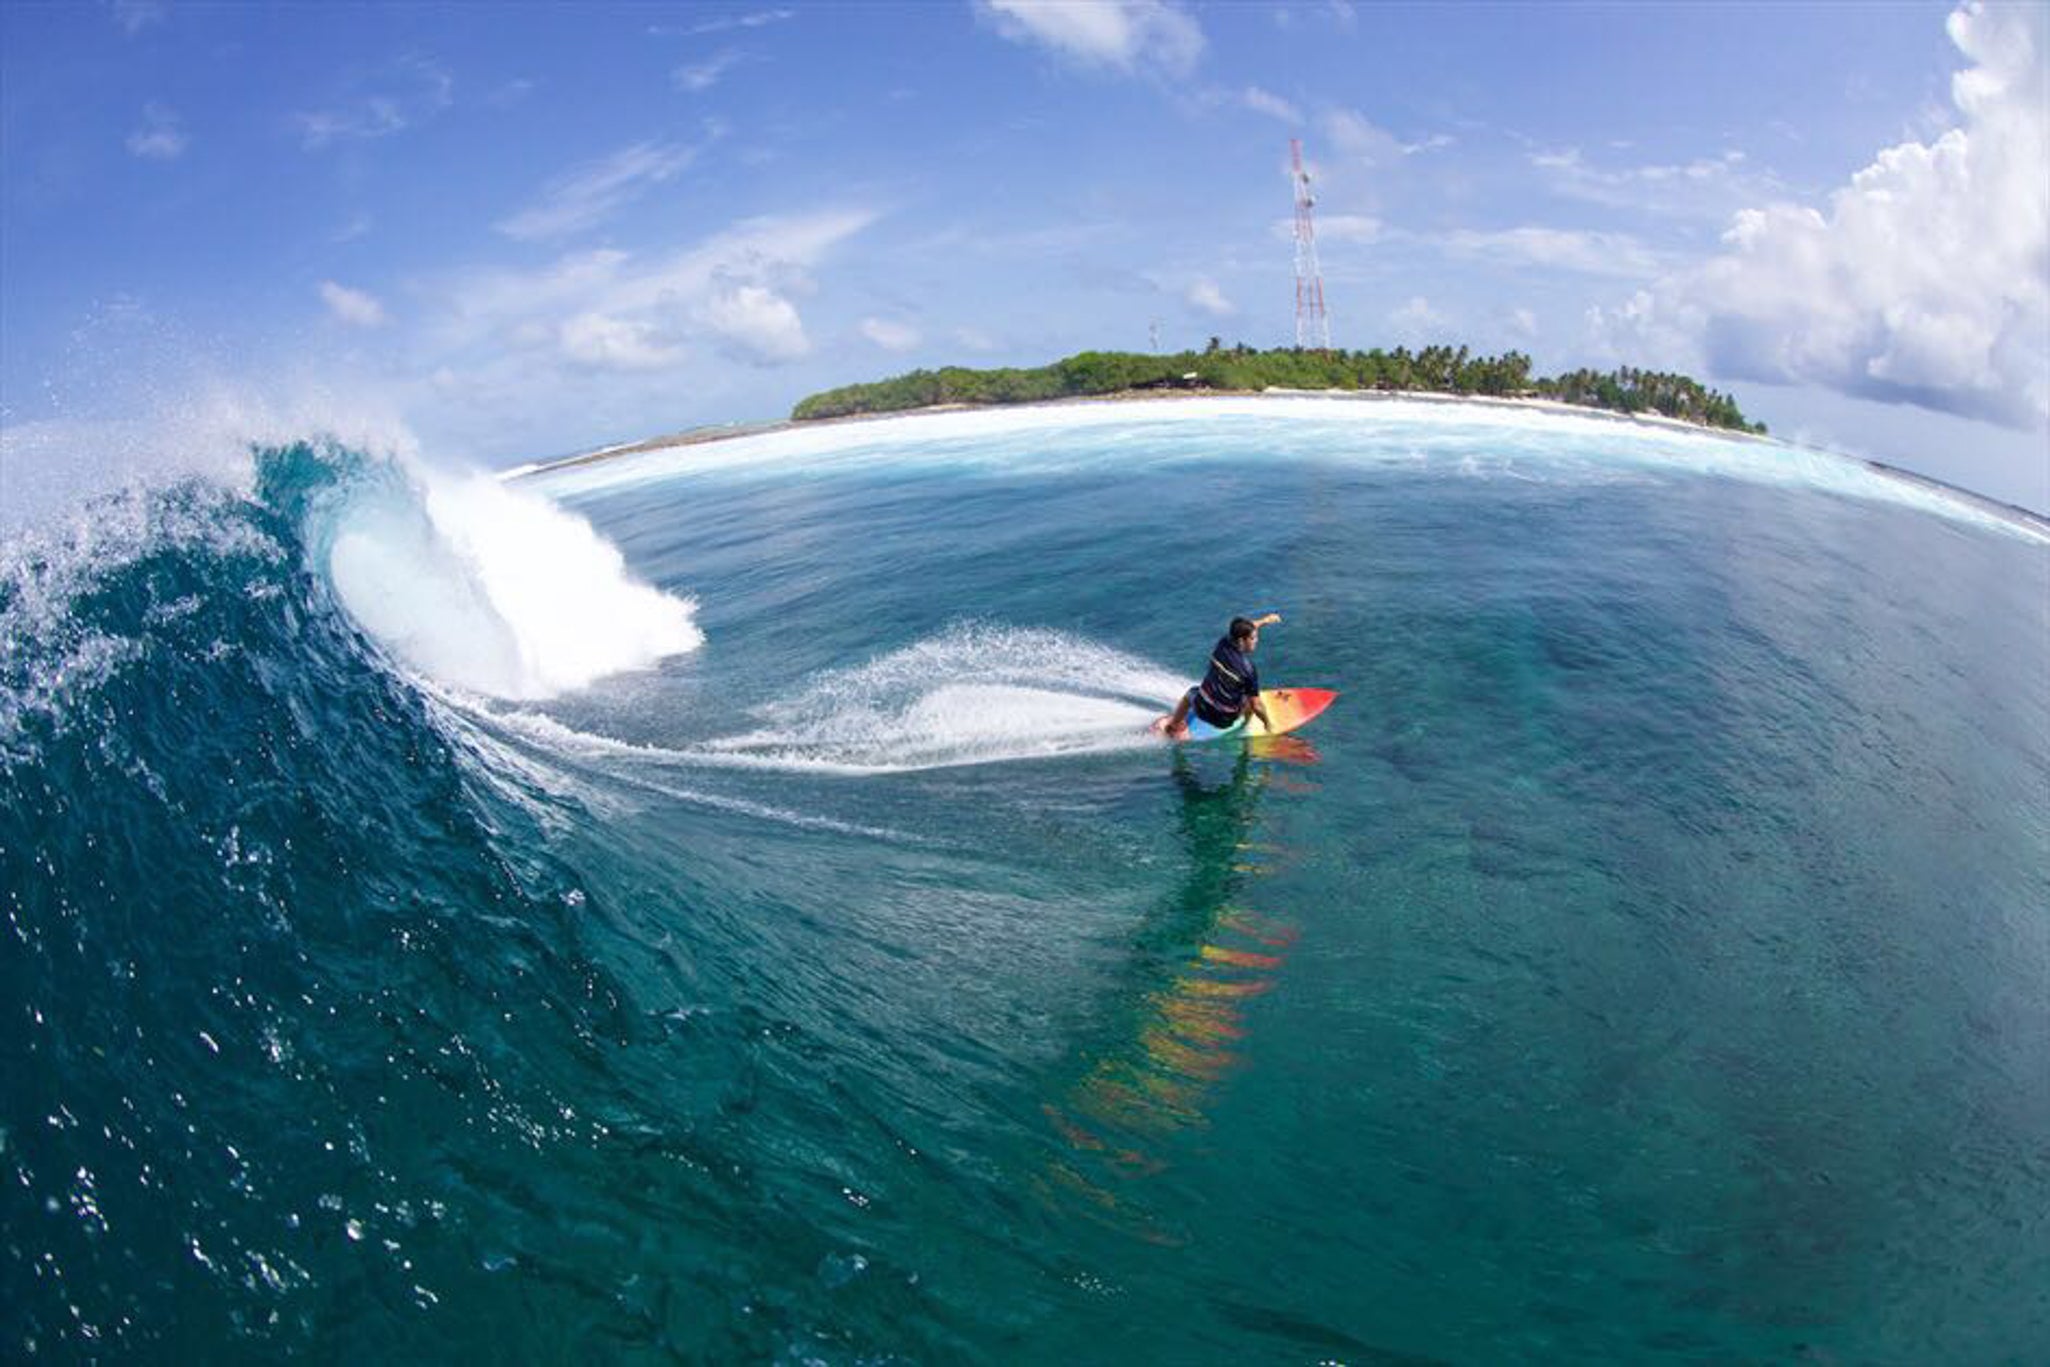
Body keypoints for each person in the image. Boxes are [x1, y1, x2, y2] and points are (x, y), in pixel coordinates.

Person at [1158, 612, 1282, 739]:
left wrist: (1265, 620)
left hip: (1201, 708)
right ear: (1241, 640)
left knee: (1191, 692)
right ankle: (1245, 725)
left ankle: (1173, 726)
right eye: (1253, 638)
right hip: (1223, 721)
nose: (1256, 641)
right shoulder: (1248, 670)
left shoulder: (1223, 644)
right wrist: (1268, 724)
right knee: (1251, 701)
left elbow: (1245, 628)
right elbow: (1256, 705)